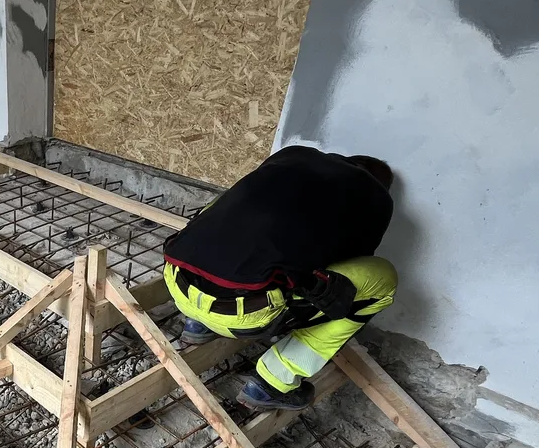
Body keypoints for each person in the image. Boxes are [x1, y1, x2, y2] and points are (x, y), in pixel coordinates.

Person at [162, 144, 397, 413]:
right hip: (243, 314)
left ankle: (198, 324)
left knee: (226, 207)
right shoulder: (377, 199)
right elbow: (346, 269)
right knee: (382, 281)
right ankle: (274, 381)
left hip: (176, 281)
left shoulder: (293, 155)